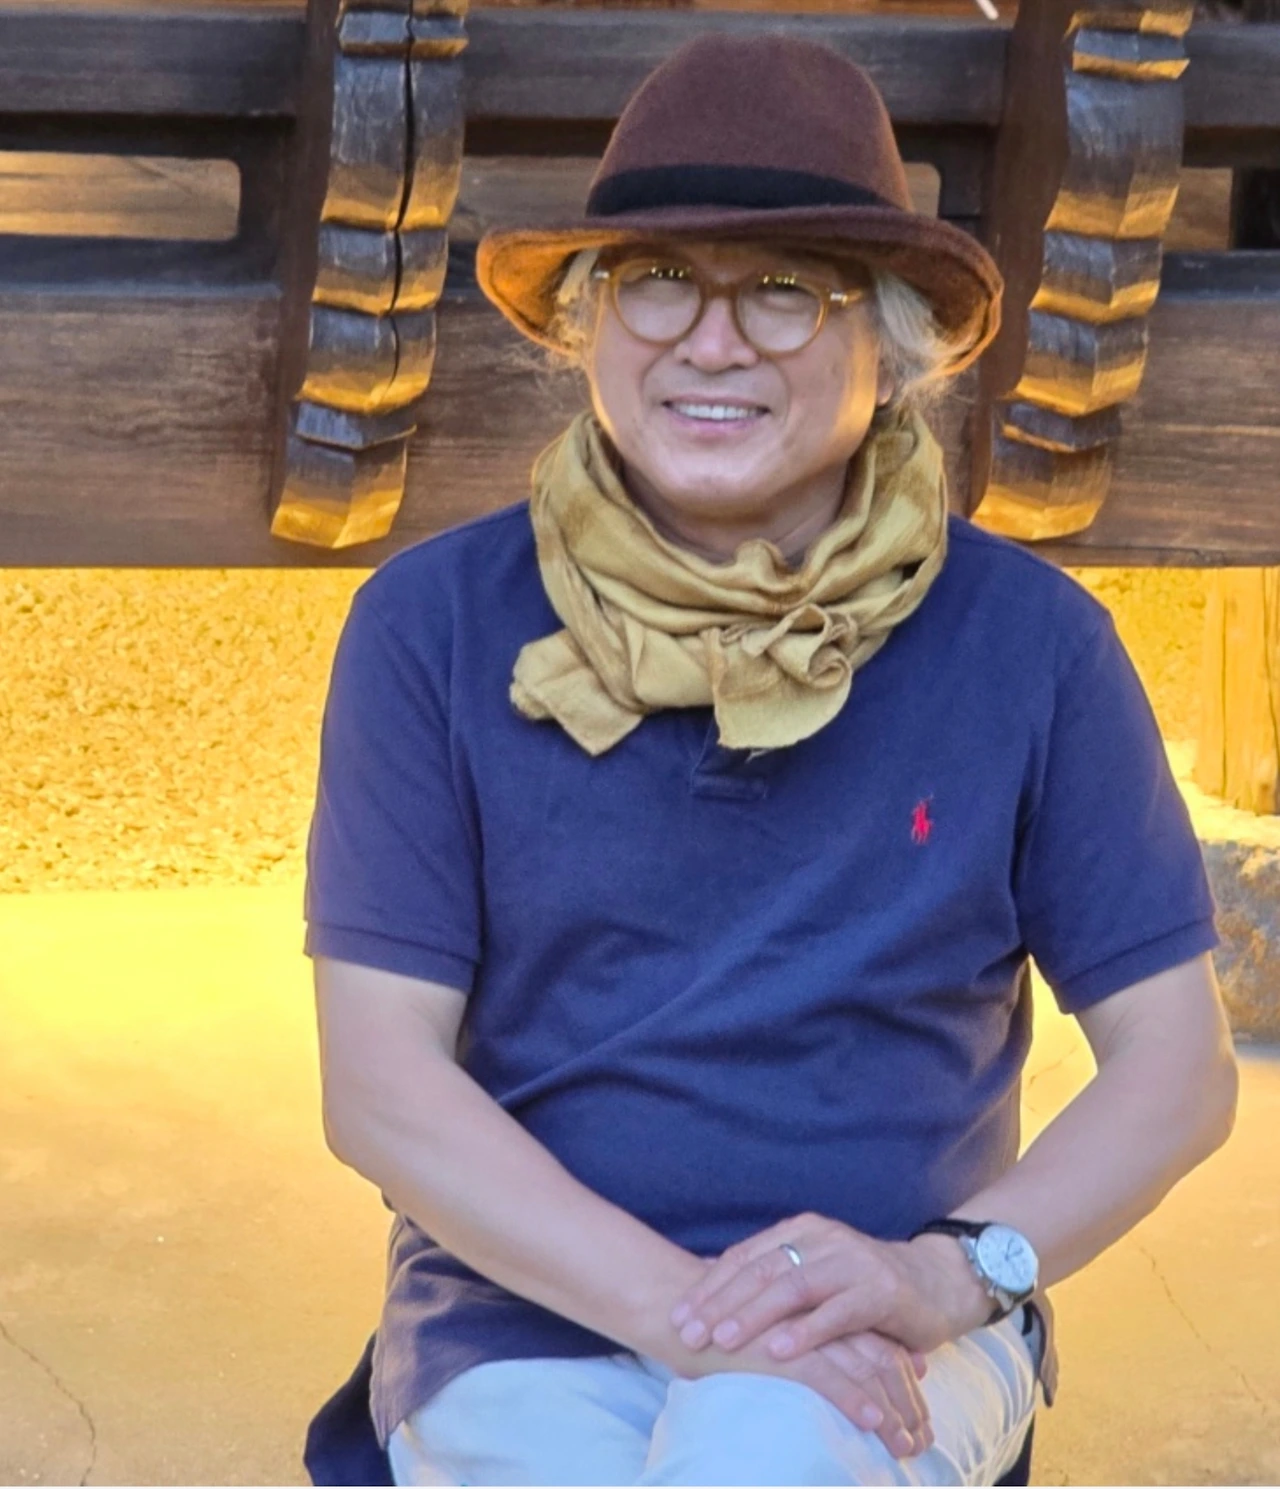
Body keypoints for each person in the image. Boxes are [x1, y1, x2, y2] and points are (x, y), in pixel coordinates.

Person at [302, 33, 1239, 1488]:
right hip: (525, 1310)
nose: (709, 341)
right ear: (590, 327)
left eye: (787, 290)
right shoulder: (431, 626)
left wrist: (948, 1273)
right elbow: (380, 1085)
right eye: (655, 279)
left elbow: (1177, 1069)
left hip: (893, 1320)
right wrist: (698, 1320)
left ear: (894, 345)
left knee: (766, 1447)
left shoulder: (1033, 645)